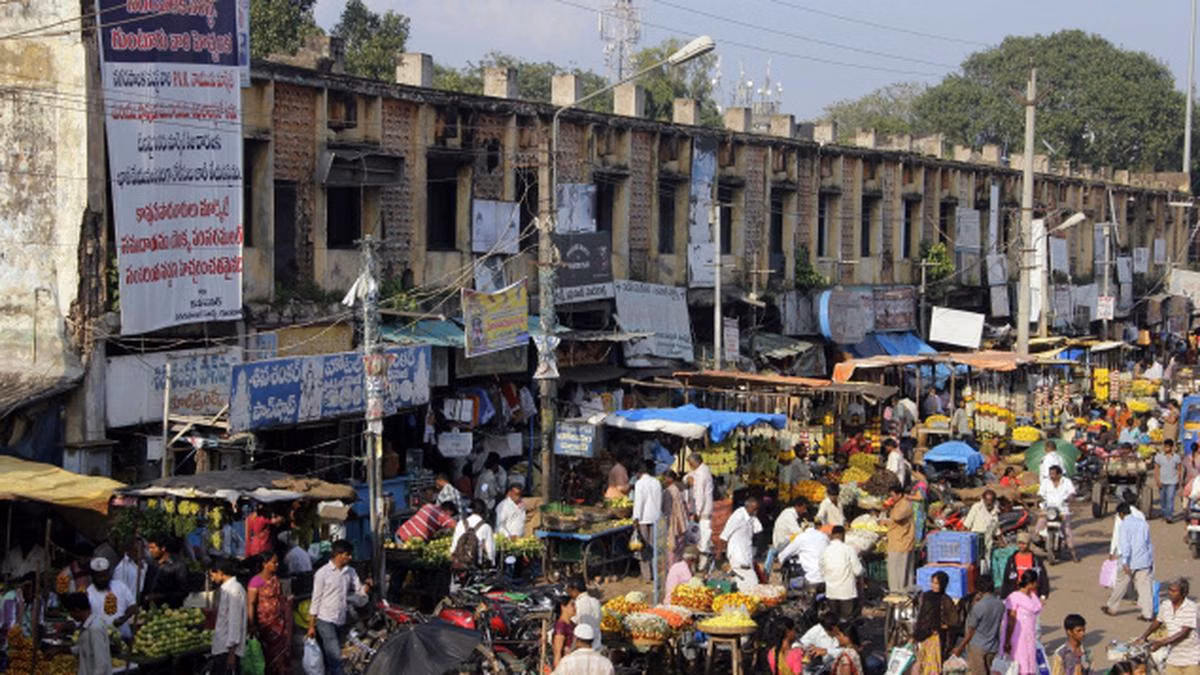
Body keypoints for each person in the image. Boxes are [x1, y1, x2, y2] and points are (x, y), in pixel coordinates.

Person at [307, 540, 372, 675]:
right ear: (338, 554)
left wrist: (366, 587)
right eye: (347, 555)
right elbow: (315, 600)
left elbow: (359, 590)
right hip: (325, 620)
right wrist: (311, 625)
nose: (350, 557)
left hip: (340, 619)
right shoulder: (322, 573)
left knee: (331, 655)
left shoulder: (350, 572)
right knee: (335, 655)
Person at [1134, 577, 1200, 674]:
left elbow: (1184, 633)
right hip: (1173, 657)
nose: (1170, 593)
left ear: (1184, 593)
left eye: (1174, 591)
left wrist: (1161, 643)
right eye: (1169, 590)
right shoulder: (1166, 605)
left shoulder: (1191, 608)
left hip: (1191, 658)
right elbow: (1157, 622)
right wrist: (1144, 636)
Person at [1103, 502, 1155, 621]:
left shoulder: (1124, 525)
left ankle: (1112, 607)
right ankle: (1147, 613)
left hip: (1130, 561)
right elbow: (1148, 543)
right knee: (1144, 588)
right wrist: (1150, 559)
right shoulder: (1143, 523)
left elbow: (1125, 545)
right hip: (1143, 560)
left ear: (1121, 514)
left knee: (1120, 584)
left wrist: (1125, 562)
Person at [954, 577, 1006, 675]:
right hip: (993, 647)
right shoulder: (1000, 605)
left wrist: (960, 647)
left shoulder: (979, 606)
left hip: (977, 647)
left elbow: (970, 631)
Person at [248, 552, 290, 675]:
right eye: (274, 562)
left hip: (279, 622)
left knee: (282, 655)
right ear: (265, 564)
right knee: (268, 655)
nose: (277, 565)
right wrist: (251, 624)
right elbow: (250, 604)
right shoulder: (256, 581)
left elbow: (281, 598)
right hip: (265, 624)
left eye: (277, 562)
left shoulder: (275, 579)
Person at [912, 570, 958, 673]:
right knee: (922, 665)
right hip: (922, 635)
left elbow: (953, 621)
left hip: (935, 638)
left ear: (943, 584)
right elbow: (921, 616)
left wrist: (940, 628)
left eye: (937, 583)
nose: (934, 585)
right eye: (932, 582)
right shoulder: (926, 596)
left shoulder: (945, 600)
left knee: (933, 667)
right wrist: (917, 633)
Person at [1000, 570, 1044, 675]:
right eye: (1036, 582)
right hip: (1017, 639)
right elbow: (1011, 620)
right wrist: (1007, 641)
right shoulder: (1014, 597)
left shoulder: (1032, 596)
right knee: (1018, 666)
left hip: (1030, 638)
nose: (1037, 584)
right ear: (1031, 583)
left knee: (1029, 665)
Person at [208, 559, 246, 675]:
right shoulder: (227, 589)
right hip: (222, 647)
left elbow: (235, 622)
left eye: (212, 575)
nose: (212, 579)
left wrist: (231, 653)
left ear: (220, 572)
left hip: (227, 649)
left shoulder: (234, 590)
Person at [1035, 465, 1079, 562]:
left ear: (1059, 474)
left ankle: (1073, 554)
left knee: (1067, 532)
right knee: (1037, 530)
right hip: (1048, 510)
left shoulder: (1066, 482)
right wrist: (1040, 500)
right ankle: (1042, 545)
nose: (1051, 476)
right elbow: (1040, 494)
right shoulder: (1046, 482)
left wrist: (1070, 498)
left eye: (1053, 474)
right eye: (1050, 474)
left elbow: (1072, 493)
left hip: (1062, 510)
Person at [85, 557, 136, 640]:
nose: (102, 579)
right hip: (100, 637)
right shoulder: (88, 593)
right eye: (99, 577)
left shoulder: (120, 586)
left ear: (109, 574)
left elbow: (132, 606)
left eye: (104, 576)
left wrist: (124, 618)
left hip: (123, 635)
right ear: (92, 577)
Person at [819, 526, 863, 622]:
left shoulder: (825, 550)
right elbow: (858, 570)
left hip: (831, 591)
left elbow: (821, 569)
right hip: (846, 591)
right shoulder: (848, 549)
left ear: (832, 536)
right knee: (846, 619)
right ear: (843, 535)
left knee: (833, 619)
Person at [720, 496, 763, 590]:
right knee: (751, 585)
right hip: (737, 556)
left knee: (748, 585)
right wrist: (719, 556)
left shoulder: (751, 516)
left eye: (757, 510)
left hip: (747, 555)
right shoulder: (738, 517)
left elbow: (759, 530)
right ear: (748, 507)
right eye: (754, 509)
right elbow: (724, 536)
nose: (756, 512)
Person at [64, 591, 111, 675]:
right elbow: (83, 649)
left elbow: (101, 664)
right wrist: (63, 650)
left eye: (70, 612)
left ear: (76, 610)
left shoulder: (95, 628)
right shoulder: (87, 626)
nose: (71, 616)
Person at [632, 462, 662, 581]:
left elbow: (639, 502)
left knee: (643, 546)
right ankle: (655, 573)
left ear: (639, 473)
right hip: (655, 517)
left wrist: (636, 518)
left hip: (643, 518)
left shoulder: (640, 483)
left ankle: (646, 575)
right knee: (653, 546)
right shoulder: (657, 482)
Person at [685, 452, 714, 569]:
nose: (690, 466)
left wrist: (697, 512)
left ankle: (703, 565)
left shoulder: (702, 474)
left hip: (703, 511)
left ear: (695, 462)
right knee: (701, 536)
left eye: (690, 463)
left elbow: (700, 495)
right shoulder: (701, 470)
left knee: (703, 537)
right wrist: (687, 478)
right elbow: (688, 476)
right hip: (703, 509)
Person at [883, 485, 914, 593]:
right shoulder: (899, 504)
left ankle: (899, 592)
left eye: (892, 495)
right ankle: (896, 590)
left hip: (901, 542)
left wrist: (890, 506)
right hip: (896, 541)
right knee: (894, 569)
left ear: (899, 495)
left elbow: (897, 517)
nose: (891, 498)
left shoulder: (905, 505)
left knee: (899, 569)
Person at [999, 532, 1050, 599]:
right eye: (1019, 543)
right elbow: (1006, 580)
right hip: (1016, 596)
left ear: (1028, 544)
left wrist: (1043, 595)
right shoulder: (1011, 560)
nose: (1021, 546)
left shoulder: (1036, 560)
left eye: (1024, 543)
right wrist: (1004, 596)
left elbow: (1043, 578)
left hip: (1032, 596)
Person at [765, 498, 807, 574]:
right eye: (803, 508)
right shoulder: (789, 515)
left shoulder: (788, 513)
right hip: (782, 541)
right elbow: (797, 531)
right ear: (797, 506)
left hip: (783, 539)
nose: (804, 511)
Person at [144, 535, 189, 608]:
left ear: (163, 548)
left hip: (171, 610)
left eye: (153, 548)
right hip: (150, 609)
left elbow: (183, 592)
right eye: (149, 548)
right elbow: (147, 586)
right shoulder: (152, 564)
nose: (150, 550)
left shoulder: (178, 565)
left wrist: (161, 596)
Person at [450, 499, 496, 569]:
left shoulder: (460, 523)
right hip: (477, 564)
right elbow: (490, 550)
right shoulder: (486, 527)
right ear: (484, 511)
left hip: (460, 564)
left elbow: (454, 545)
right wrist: (492, 563)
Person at [662, 470, 689, 564]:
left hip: (673, 523)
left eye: (664, 478)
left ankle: (672, 567)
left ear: (670, 479)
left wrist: (668, 524)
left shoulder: (669, 491)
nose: (663, 481)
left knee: (672, 548)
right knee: (679, 548)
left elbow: (667, 510)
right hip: (680, 522)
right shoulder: (677, 488)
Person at [567, 578, 601, 649]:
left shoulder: (577, 604)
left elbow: (573, 622)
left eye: (570, 591)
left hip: (583, 641)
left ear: (575, 590)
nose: (569, 594)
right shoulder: (596, 601)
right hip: (597, 641)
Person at [1109, 490, 1146, 557]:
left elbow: (1116, 533)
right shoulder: (1141, 514)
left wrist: (1112, 551)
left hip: (1123, 550)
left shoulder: (1121, 514)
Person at [1155, 439, 1184, 522]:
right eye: (1165, 447)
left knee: (1170, 499)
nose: (1166, 448)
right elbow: (1156, 469)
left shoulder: (1176, 457)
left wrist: (1179, 481)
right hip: (1162, 481)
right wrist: (1157, 480)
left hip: (1172, 481)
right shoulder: (1159, 457)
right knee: (1163, 499)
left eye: (1168, 447)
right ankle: (1164, 514)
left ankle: (1169, 516)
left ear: (1171, 447)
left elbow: (1179, 469)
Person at [551, 599, 577, 668]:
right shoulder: (561, 626)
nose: (575, 607)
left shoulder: (572, 624)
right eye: (572, 605)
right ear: (563, 607)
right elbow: (557, 653)